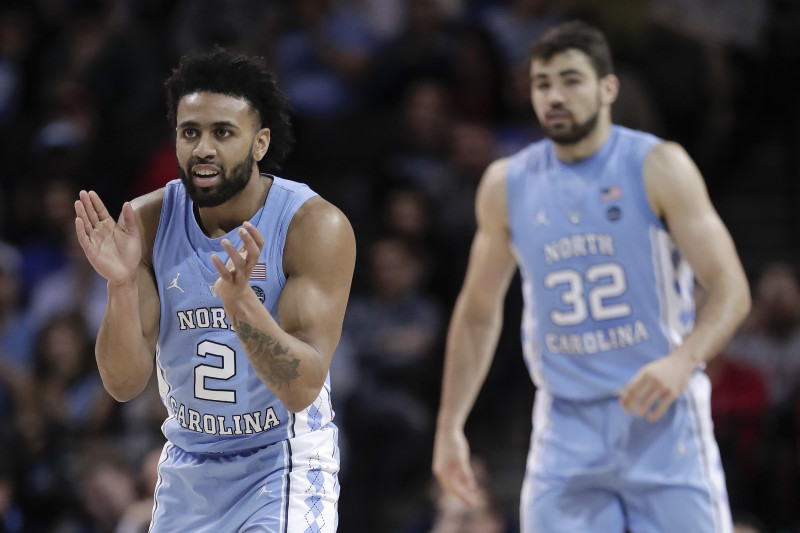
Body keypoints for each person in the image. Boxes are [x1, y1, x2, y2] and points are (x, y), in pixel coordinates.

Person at [432, 20, 751, 533]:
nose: (554, 95)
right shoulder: (505, 184)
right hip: (567, 425)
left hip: (662, 416)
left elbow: (731, 287)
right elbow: (476, 312)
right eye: (542, 84)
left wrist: (684, 359)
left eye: (571, 80)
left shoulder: (659, 166)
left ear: (608, 88)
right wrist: (450, 426)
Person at [73, 49, 355, 532]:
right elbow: (123, 385)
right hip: (189, 464)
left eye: (223, 132)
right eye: (190, 132)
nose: (203, 148)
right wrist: (119, 285)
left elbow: (301, 388)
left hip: (281, 461)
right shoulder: (146, 221)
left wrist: (242, 304)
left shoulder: (313, 226)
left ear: (260, 142)